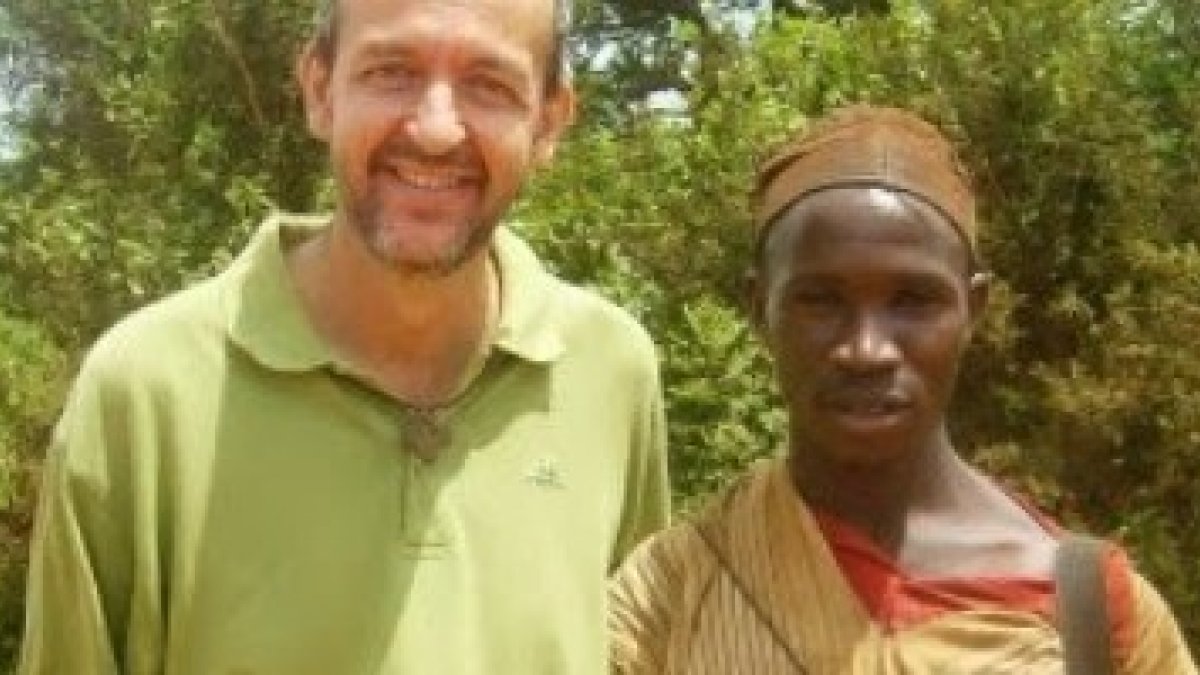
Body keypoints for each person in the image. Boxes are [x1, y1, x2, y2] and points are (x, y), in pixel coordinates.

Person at [18, 0, 670, 672]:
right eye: (392, 71)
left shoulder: (612, 376)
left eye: (489, 85)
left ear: (550, 120)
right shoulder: (145, 394)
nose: (437, 129)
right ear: (320, 90)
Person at [608, 106, 1196, 674]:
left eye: (913, 300)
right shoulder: (672, 592)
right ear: (761, 310)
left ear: (973, 309)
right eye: (820, 300)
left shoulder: (1093, 612)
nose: (867, 350)